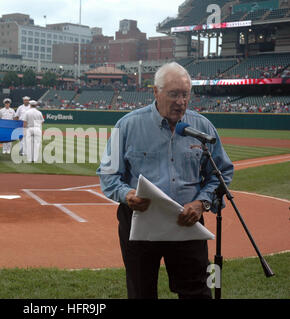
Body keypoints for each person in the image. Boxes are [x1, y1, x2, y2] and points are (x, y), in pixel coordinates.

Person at [97, 62, 234, 299]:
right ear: (155, 92)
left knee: (197, 292)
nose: (180, 102)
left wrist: (202, 203)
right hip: (139, 223)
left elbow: (221, 173)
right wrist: (126, 195)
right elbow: (109, 174)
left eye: (185, 94)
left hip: (188, 222)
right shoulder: (128, 125)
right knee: (141, 292)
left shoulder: (201, 126)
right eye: (173, 94)